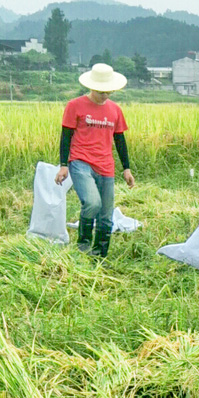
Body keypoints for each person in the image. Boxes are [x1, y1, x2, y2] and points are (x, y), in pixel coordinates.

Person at [54, 63, 135, 257]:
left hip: (106, 166)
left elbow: (119, 139)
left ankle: (99, 255)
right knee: (92, 203)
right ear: (91, 86)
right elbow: (66, 136)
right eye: (101, 91)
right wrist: (64, 165)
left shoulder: (115, 110)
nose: (105, 95)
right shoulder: (75, 106)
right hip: (81, 162)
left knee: (106, 217)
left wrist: (127, 168)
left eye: (108, 91)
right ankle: (83, 246)